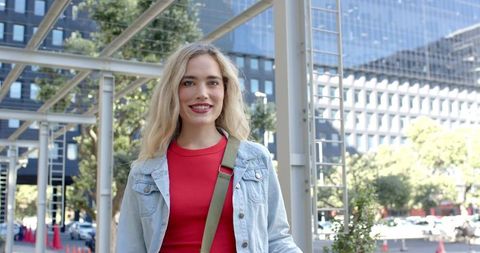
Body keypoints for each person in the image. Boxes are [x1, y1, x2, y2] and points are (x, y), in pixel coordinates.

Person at [116, 42, 302, 253]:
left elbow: (277, 240)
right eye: (188, 83)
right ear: (172, 91)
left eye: (212, 83)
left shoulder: (256, 160)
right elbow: (129, 247)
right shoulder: (144, 172)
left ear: (225, 90)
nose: (202, 93)